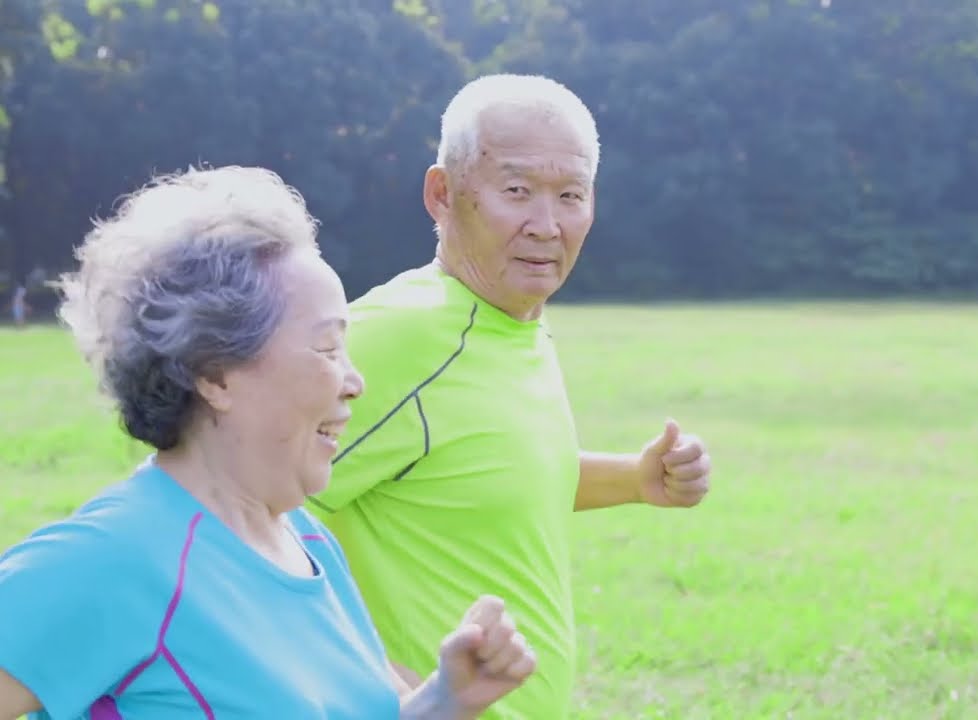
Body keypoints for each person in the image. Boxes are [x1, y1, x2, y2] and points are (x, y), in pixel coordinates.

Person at [0, 166, 538, 720]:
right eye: (327, 350)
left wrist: (441, 702)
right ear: (215, 374)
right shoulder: (115, 557)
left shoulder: (307, 542)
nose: (354, 381)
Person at [305, 73, 715, 719]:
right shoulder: (401, 335)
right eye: (517, 191)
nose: (546, 226)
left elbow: (485, 470)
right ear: (443, 194)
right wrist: (381, 684)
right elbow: (236, 509)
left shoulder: (511, 318)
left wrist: (635, 479)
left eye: (570, 195)